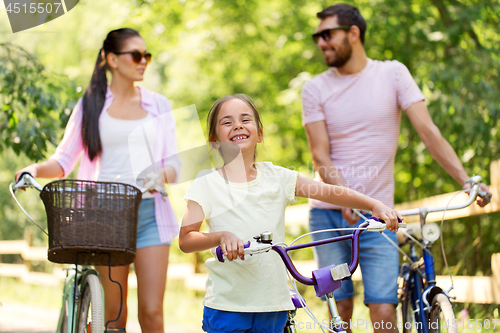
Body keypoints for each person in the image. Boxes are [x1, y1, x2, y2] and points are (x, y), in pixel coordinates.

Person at [301, 4, 491, 333]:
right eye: (318, 36)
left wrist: (466, 180)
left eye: (327, 34)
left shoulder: (393, 74)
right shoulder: (315, 88)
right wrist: (347, 199)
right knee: (340, 308)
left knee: (384, 311)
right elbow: (320, 155)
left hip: (379, 219)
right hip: (329, 215)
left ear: (354, 33)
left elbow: (429, 133)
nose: (320, 42)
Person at [178, 93, 402, 333]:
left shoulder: (278, 178)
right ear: (214, 141)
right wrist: (220, 237)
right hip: (227, 306)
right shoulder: (206, 185)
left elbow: (330, 192)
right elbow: (186, 238)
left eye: (245, 119)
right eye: (227, 122)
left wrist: (374, 205)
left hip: (273, 306)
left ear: (260, 134)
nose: (238, 126)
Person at [15, 28, 180, 333]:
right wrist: (35, 169)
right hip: (105, 216)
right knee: (114, 316)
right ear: (112, 60)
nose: (143, 61)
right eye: (136, 55)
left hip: (150, 215)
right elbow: (63, 160)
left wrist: (162, 175)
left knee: (153, 312)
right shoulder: (90, 105)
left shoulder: (159, 105)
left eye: (147, 55)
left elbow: (174, 164)